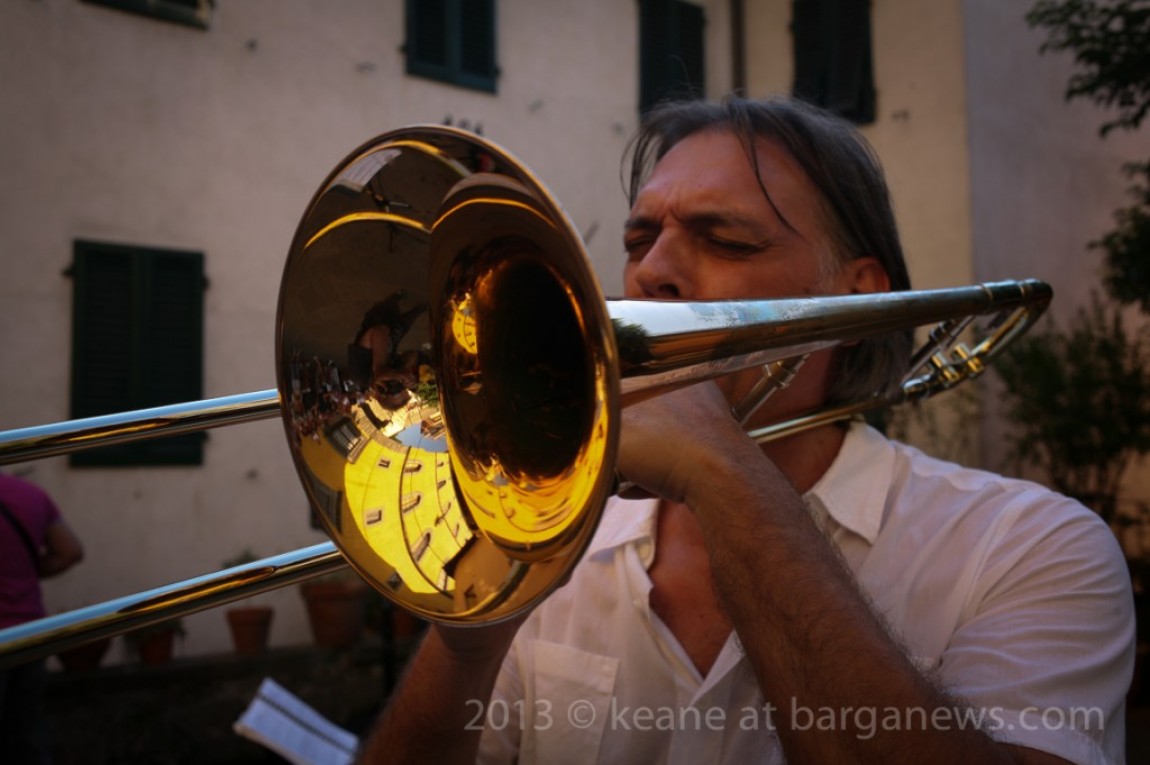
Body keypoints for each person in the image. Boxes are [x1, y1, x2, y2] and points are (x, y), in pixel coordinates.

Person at [359, 96, 1135, 764]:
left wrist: (722, 470)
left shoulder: (1029, 546)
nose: (650, 273)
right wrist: (468, 636)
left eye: (726, 240)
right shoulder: (554, 542)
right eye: (638, 240)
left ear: (856, 302)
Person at [0, 473, 84, 765]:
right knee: (26, 735)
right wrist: (24, 575)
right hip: (31, 633)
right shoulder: (30, 495)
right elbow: (70, 551)